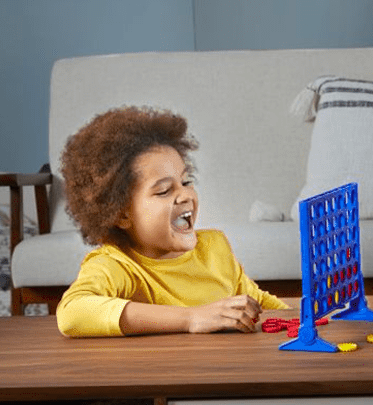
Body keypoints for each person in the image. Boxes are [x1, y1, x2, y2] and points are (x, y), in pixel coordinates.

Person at [56, 106, 289, 337]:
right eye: (164, 191)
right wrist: (191, 317)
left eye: (186, 182)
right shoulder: (116, 265)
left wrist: (314, 319)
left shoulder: (215, 247)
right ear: (121, 215)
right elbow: (72, 313)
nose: (186, 195)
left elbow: (261, 304)